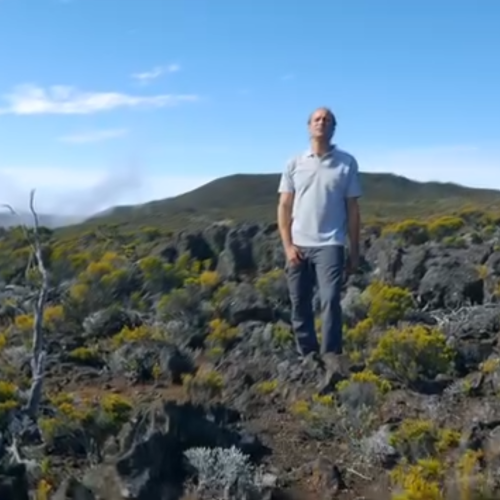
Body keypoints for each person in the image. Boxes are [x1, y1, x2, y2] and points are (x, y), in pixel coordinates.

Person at [277, 106, 361, 368]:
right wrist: (288, 245)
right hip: (299, 244)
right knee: (299, 303)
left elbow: (353, 209)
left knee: (330, 300)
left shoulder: (346, 163)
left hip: (331, 243)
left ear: (333, 128)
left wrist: (354, 250)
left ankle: (331, 358)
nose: (321, 122)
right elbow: (284, 206)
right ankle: (308, 357)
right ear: (308, 126)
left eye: (326, 120)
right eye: (317, 119)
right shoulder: (294, 163)